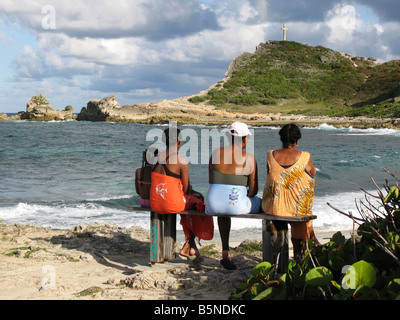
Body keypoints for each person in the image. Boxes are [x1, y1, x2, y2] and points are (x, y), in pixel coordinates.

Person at [150, 127, 214, 260]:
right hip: (171, 204)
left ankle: (190, 247)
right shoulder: (181, 161)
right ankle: (189, 245)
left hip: (155, 202)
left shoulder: (155, 158)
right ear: (179, 142)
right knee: (199, 203)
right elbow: (186, 190)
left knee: (191, 201)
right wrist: (196, 193)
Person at [206, 122, 260, 270]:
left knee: (223, 206)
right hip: (234, 205)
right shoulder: (249, 158)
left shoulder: (215, 154)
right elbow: (253, 191)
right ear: (244, 139)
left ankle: (225, 250)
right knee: (260, 203)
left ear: (229, 138)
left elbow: (212, 181)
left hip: (212, 204)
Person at [261, 124, 320, 261]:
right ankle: (300, 252)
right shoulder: (305, 156)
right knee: (303, 204)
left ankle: (311, 237)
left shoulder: (270, 155)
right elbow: (312, 173)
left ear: (281, 139)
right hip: (296, 210)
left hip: (273, 208)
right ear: (297, 141)